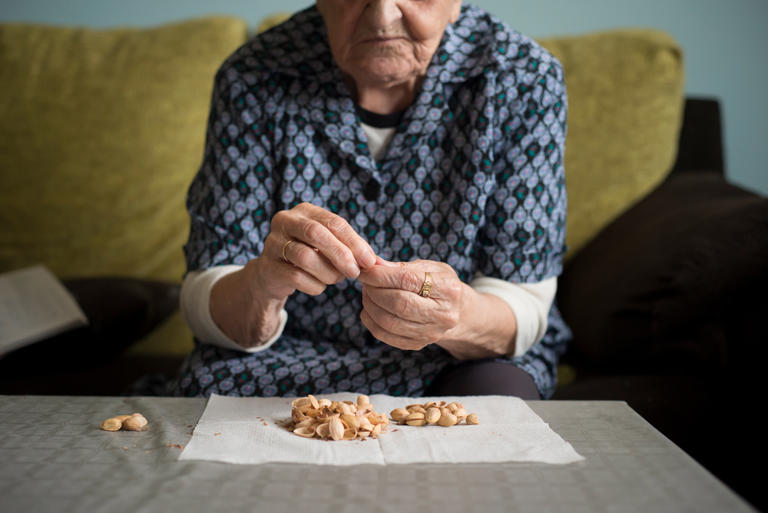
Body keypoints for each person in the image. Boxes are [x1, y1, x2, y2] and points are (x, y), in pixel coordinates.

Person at [170, 0, 571, 400]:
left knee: (499, 410)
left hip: (458, 360)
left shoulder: (523, 79)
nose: (382, 17)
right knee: (206, 405)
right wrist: (261, 285)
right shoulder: (254, 76)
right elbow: (207, 287)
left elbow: (522, 300)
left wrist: (457, 316)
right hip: (283, 357)